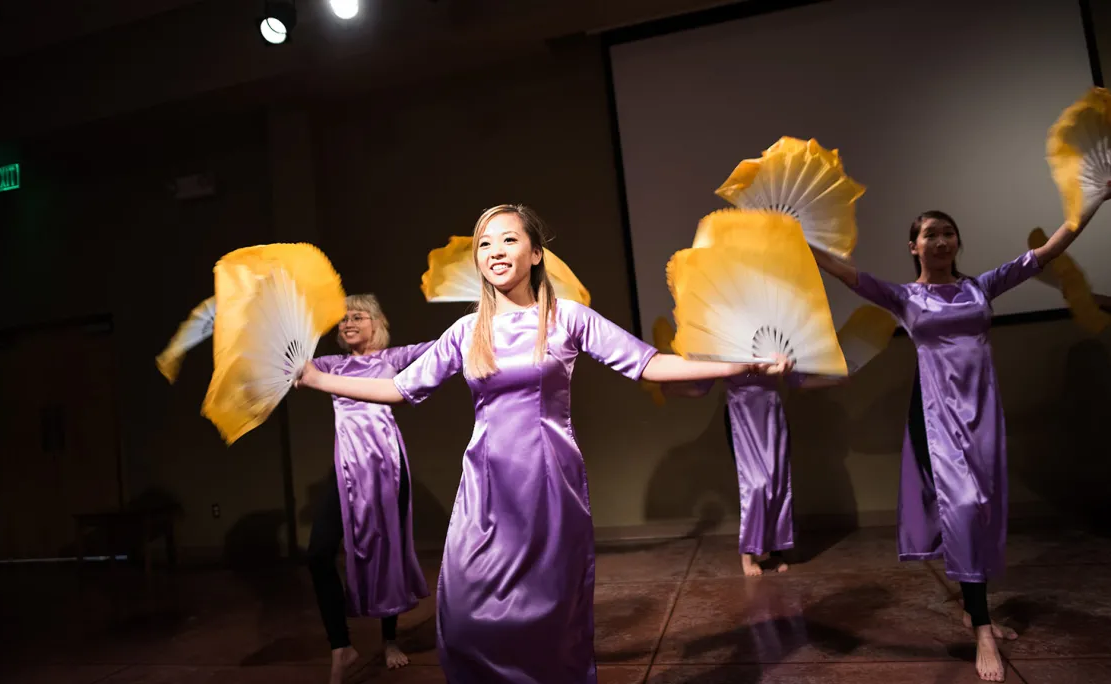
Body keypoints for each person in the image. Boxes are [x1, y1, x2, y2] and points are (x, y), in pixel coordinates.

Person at [296, 204, 792, 683]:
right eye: (485, 243)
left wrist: (743, 364)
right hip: (485, 487)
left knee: (549, 619)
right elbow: (399, 390)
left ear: (535, 253)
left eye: (509, 238)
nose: (495, 250)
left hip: (548, 482)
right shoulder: (468, 330)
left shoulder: (567, 318)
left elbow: (651, 364)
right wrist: (319, 381)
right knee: (465, 618)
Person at [811, 182, 1111, 682]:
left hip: (983, 413)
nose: (942, 240)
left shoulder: (981, 287)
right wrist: (803, 240)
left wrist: (1094, 202)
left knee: (985, 506)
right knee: (965, 506)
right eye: (930, 234)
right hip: (933, 415)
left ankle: (975, 606)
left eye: (949, 232)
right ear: (914, 247)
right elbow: (847, 273)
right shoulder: (903, 297)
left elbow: (1047, 252)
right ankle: (983, 630)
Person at [306, 294, 432, 683]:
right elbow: (292, 368)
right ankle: (340, 646)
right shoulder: (332, 365)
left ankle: (390, 639)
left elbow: (441, 348)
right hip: (347, 472)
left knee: (388, 548)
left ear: (376, 322)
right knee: (317, 554)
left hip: (386, 469)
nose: (348, 323)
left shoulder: (392, 360)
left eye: (357, 316)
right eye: (342, 319)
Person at [667, 373, 840, 576]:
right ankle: (748, 552)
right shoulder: (726, 348)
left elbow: (798, 380)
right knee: (756, 485)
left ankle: (777, 550)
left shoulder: (774, 342)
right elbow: (700, 388)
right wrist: (669, 388)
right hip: (741, 415)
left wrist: (838, 380)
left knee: (776, 482)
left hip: (770, 414)